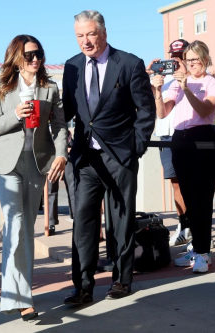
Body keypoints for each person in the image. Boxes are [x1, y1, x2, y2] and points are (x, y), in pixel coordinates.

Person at [62, 10, 156, 304]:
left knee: (121, 221)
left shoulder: (129, 63)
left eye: (90, 34)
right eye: (80, 36)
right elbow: (66, 111)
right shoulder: (72, 67)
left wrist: (136, 147)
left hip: (119, 157)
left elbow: (146, 111)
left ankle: (121, 279)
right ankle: (84, 285)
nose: (85, 41)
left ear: (103, 32)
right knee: (83, 223)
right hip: (85, 160)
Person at [0, 35, 68, 320]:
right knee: (16, 224)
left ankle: (21, 294)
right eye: (30, 55)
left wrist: (62, 154)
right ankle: (21, 299)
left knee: (26, 231)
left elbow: (59, 126)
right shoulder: (1, 87)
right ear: (17, 57)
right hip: (7, 165)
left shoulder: (50, 88)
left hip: (36, 163)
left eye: (39, 54)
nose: (36, 60)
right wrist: (15, 114)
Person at [152, 40, 215, 273]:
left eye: (195, 59)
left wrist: (186, 89)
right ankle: (197, 247)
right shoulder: (176, 83)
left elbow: (204, 110)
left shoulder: (213, 84)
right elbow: (162, 113)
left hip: (203, 138)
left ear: (205, 59)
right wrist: (156, 89)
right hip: (179, 138)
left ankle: (203, 252)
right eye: (188, 59)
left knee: (203, 198)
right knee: (189, 199)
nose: (191, 64)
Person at [147, 39, 191, 247]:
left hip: (186, 135)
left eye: (181, 56)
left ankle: (193, 227)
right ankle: (184, 225)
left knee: (191, 184)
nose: (176, 61)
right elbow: (160, 109)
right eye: (173, 58)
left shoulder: (194, 78)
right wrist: (149, 78)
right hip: (165, 136)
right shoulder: (168, 82)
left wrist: (186, 76)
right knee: (176, 185)